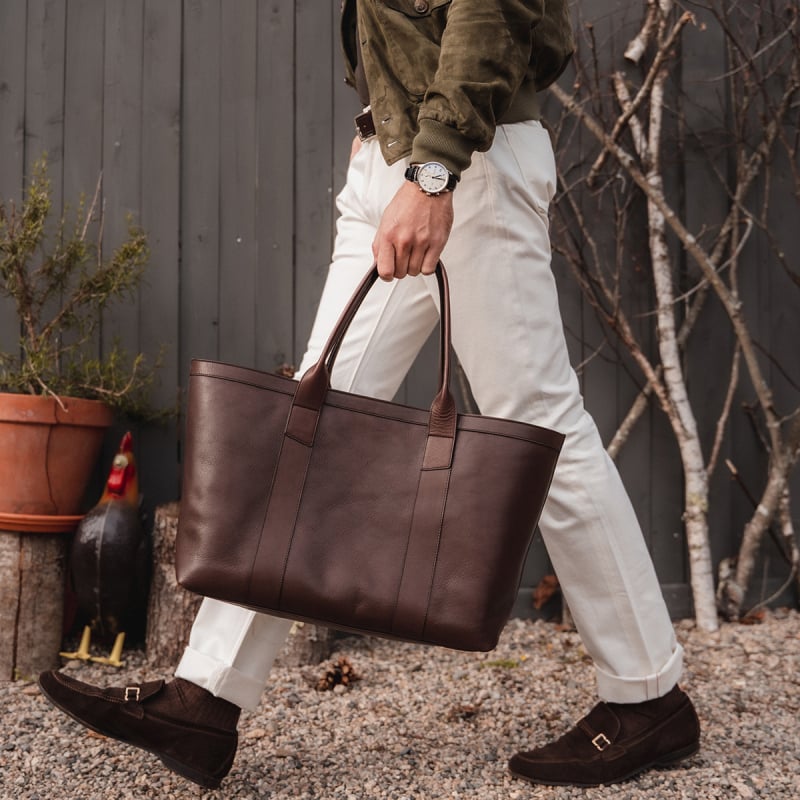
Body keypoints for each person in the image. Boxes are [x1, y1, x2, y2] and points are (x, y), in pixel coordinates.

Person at [39, 0, 700, 791]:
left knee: (543, 434)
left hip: (458, 167)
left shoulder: (447, 160)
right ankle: (203, 698)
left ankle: (648, 696)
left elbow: (486, 13)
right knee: (309, 430)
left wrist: (434, 169)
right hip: (398, 159)